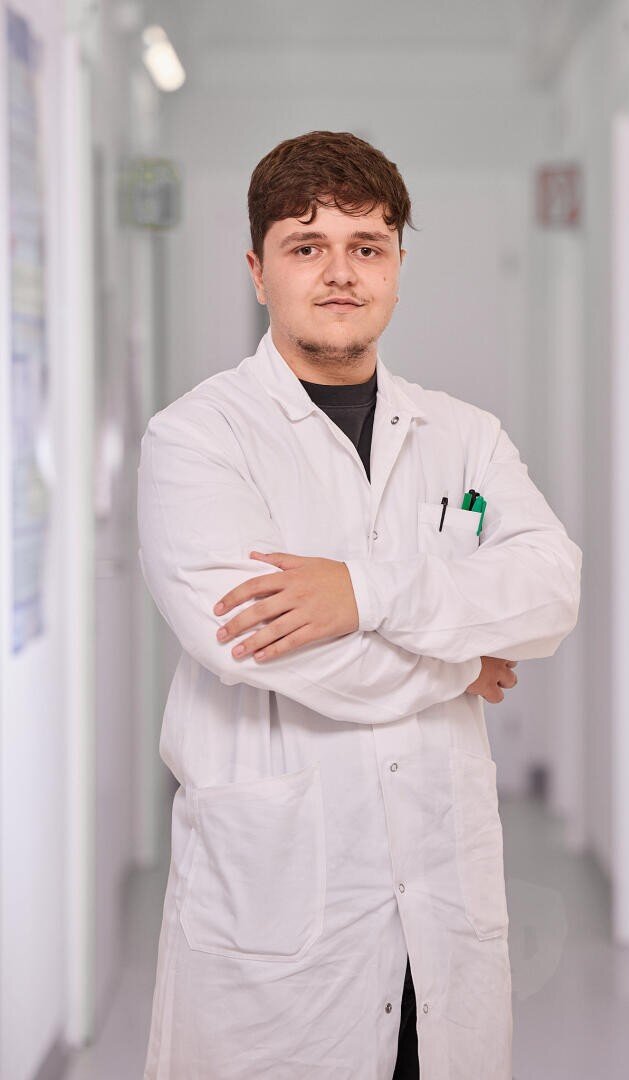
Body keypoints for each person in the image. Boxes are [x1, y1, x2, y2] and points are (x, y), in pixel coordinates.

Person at [137, 129, 582, 1080]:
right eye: (307, 247)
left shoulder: (463, 437)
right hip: (279, 916)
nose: (340, 273)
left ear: (396, 266)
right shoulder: (197, 440)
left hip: (442, 910)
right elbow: (263, 647)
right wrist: (463, 659)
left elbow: (549, 588)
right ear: (258, 270)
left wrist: (364, 591)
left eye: (366, 247)